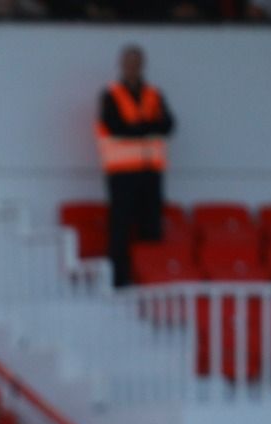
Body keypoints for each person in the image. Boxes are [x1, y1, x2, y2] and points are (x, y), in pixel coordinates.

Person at [99, 45, 173, 288]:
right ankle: (119, 282)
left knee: (151, 227)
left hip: (150, 173)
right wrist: (148, 126)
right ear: (122, 64)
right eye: (129, 61)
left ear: (143, 64)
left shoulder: (154, 93)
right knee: (119, 228)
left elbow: (169, 125)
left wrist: (138, 128)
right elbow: (115, 127)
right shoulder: (111, 94)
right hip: (122, 174)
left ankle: (149, 281)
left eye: (137, 62)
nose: (133, 66)